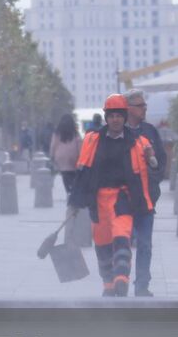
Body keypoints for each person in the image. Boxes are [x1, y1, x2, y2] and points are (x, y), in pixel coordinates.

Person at [67, 93, 157, 297]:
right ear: (106, 117)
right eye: (112, 115)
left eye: (119, 115)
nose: (115, 119)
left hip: (123, 198)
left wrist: (152, 160)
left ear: (124, 117)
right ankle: (108, 283)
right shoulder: (93, 140)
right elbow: (83, 168)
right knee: (102, 244)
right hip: (98, 200)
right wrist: (75, 201)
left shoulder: (137, 141)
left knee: (121, 236)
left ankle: (121, 278)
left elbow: (151, 154)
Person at [125, 89, 165, 297]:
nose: (145, 109)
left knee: (145, 244)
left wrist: (153, 178)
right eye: (141, 106)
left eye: (145, 105)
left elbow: (161, 161)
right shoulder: (117, 131)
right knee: (122, 246)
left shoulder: (150, 131)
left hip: (146, 200)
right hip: (122, 201)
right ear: (129, 109)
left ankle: (142, 284)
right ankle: (118, 282)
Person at [49, 113, 82, 194]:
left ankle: (68, 190)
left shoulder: (57, 133)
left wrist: (52, 156)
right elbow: (80, 145)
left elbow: (53, 145)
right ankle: (72, 189)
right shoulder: (75, 133)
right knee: (73, 174)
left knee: (65, 174)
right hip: (73, 156)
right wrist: (81, 156)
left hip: (60, 156)